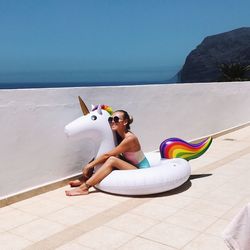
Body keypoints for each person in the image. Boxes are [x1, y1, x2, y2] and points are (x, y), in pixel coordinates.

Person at [65, 110, 150, 196]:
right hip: (132, 165)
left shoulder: (130, 138)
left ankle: (84, 188)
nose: (113, 121)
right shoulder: (119, 135)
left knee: (112, 159)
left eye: (116, 119)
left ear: (125, 122)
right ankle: (84, 179)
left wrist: (89, 165)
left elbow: (108, 155)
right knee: (109, 156)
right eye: (110, 119)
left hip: (141, 170)